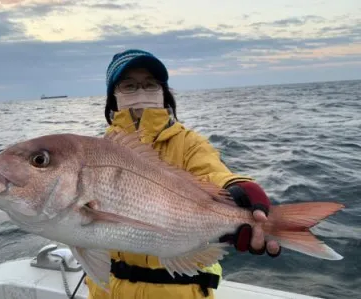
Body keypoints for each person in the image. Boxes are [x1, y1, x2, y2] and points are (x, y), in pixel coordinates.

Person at [85, 49, 281, 299]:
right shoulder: (102, 151)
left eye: (150, 84)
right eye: (129, 86)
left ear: (163, 92)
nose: (141, 92)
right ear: (113, 96)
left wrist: (239, 188)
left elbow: (212, 171)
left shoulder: (189, 143)